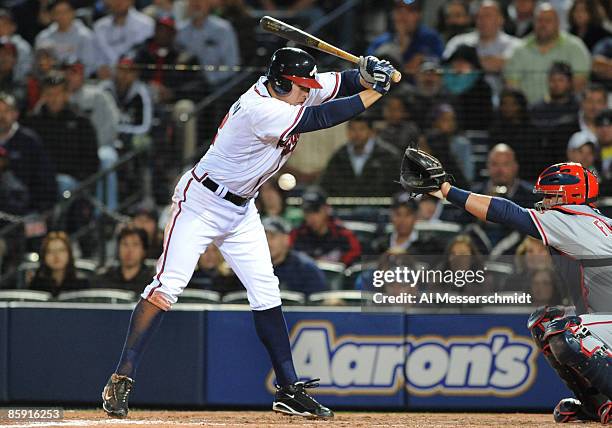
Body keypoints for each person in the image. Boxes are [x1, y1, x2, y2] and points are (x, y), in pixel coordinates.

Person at [100, 47, 397, 419]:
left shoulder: (290, 88)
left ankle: (288, 389)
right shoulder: (261, 108)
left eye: (307, 85)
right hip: (201, 202)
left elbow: (338, 84)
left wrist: (367, 73)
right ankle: (122, 376)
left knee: (266, 291)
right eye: (299, 87)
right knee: (167, 286)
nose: (306, 91)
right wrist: (377, 91)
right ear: (279, 82)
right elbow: (324, 116)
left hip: (241, 208)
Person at [412, 150, 612, 423]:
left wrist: (447, 190)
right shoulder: (591, 221)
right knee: (545, 321)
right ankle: (597, 404)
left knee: (568, 331)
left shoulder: (570, 218)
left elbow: (505, 212)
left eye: (551, 195)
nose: (544, 201)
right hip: (606, 318)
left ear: (569, 196)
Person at [504, 2, 591, 104]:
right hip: (528, 114)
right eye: (539, 20)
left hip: (566, 113)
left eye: (548, 21)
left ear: (558, 23)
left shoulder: (575, 47)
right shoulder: (519, 50)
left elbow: (580, 85)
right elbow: (512, 87)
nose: (543, 25)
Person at [0, 93, 56, 212]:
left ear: (15, 114)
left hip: (24, 208)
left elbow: (45, 179)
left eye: (6, 111)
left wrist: (39, 210)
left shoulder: (29, 140)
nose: (1, 116)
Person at [318, 116, 400, 197]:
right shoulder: (339, 156)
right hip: (344, 208)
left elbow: (397, 186)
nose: (357, 134)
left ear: (371, 132)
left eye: (362, 129)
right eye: (353, 129)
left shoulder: (388, 155)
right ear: (347, 132)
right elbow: (325, 185)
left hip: (381, 207)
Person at [367, 0, 444, 76]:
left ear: (419, 15)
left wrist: (424, 60)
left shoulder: (430, 38)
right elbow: (367, 68)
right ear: (392, 15)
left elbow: (443, 62)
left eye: (410, 11)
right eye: (399, 10)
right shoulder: (381, 42)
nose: (403, 15)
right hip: (391, 86)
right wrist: (399, 48)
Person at [290, 187, 362, 267]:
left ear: (326, 209)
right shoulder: (296, 235)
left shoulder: (343, 235)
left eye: (316, 211)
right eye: (307, 212)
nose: (311, 217)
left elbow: (354, 260)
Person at [175, 0, 239, 87]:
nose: (196, 4)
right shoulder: (180, 30)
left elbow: (232, 65)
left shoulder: (222, 29)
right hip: (185, 83)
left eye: (201, 1)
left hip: (216, 85)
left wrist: (210, 79)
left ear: (208, 4)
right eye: (192, 2)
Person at [529, 61, 580, 165]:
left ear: (569, 82)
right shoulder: (536, 108)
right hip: (541, 161)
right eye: (552, 80)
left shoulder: (578, 107)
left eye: (560, 80)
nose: (556, 84)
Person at [263, 216, 327, 296]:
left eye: (272, 237)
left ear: (286, 239)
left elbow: (319, 301)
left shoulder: (306, 268)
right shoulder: (251, 268)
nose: (267, 242)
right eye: (263, 237)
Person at [93, 0, 155, 79]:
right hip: (105, 80)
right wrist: (100, 67)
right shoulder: (99, 27)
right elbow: (95, 58)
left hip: (136, 79)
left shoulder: (147, 25)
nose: (119, 2)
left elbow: (145, 58)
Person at [34, 0, 97, 77]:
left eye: (66, 12)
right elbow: (39, 65)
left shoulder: (85, 35)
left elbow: (90, 65)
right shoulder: (43, 37)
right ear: (51, 15)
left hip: (77, 80)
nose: (62, 16)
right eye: (58, 13)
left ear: (73, 12)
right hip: (50, 81)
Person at [488, 88, 539, 181]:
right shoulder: (495, 131)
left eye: (513, 104)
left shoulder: (532, 131)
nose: (508, 107)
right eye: (505, 104)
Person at [29, 231, 89, 297]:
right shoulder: (36, 285)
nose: (56, 255)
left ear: (69, 254)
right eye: (50, 251)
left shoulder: (82, 284)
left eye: (61, 250)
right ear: (44, 256)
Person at [95, 226, 155, 292]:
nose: (129, 250)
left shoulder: (153, 283)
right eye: (125, 244)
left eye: (135, 245)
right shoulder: (104, 278)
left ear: (144, 250)